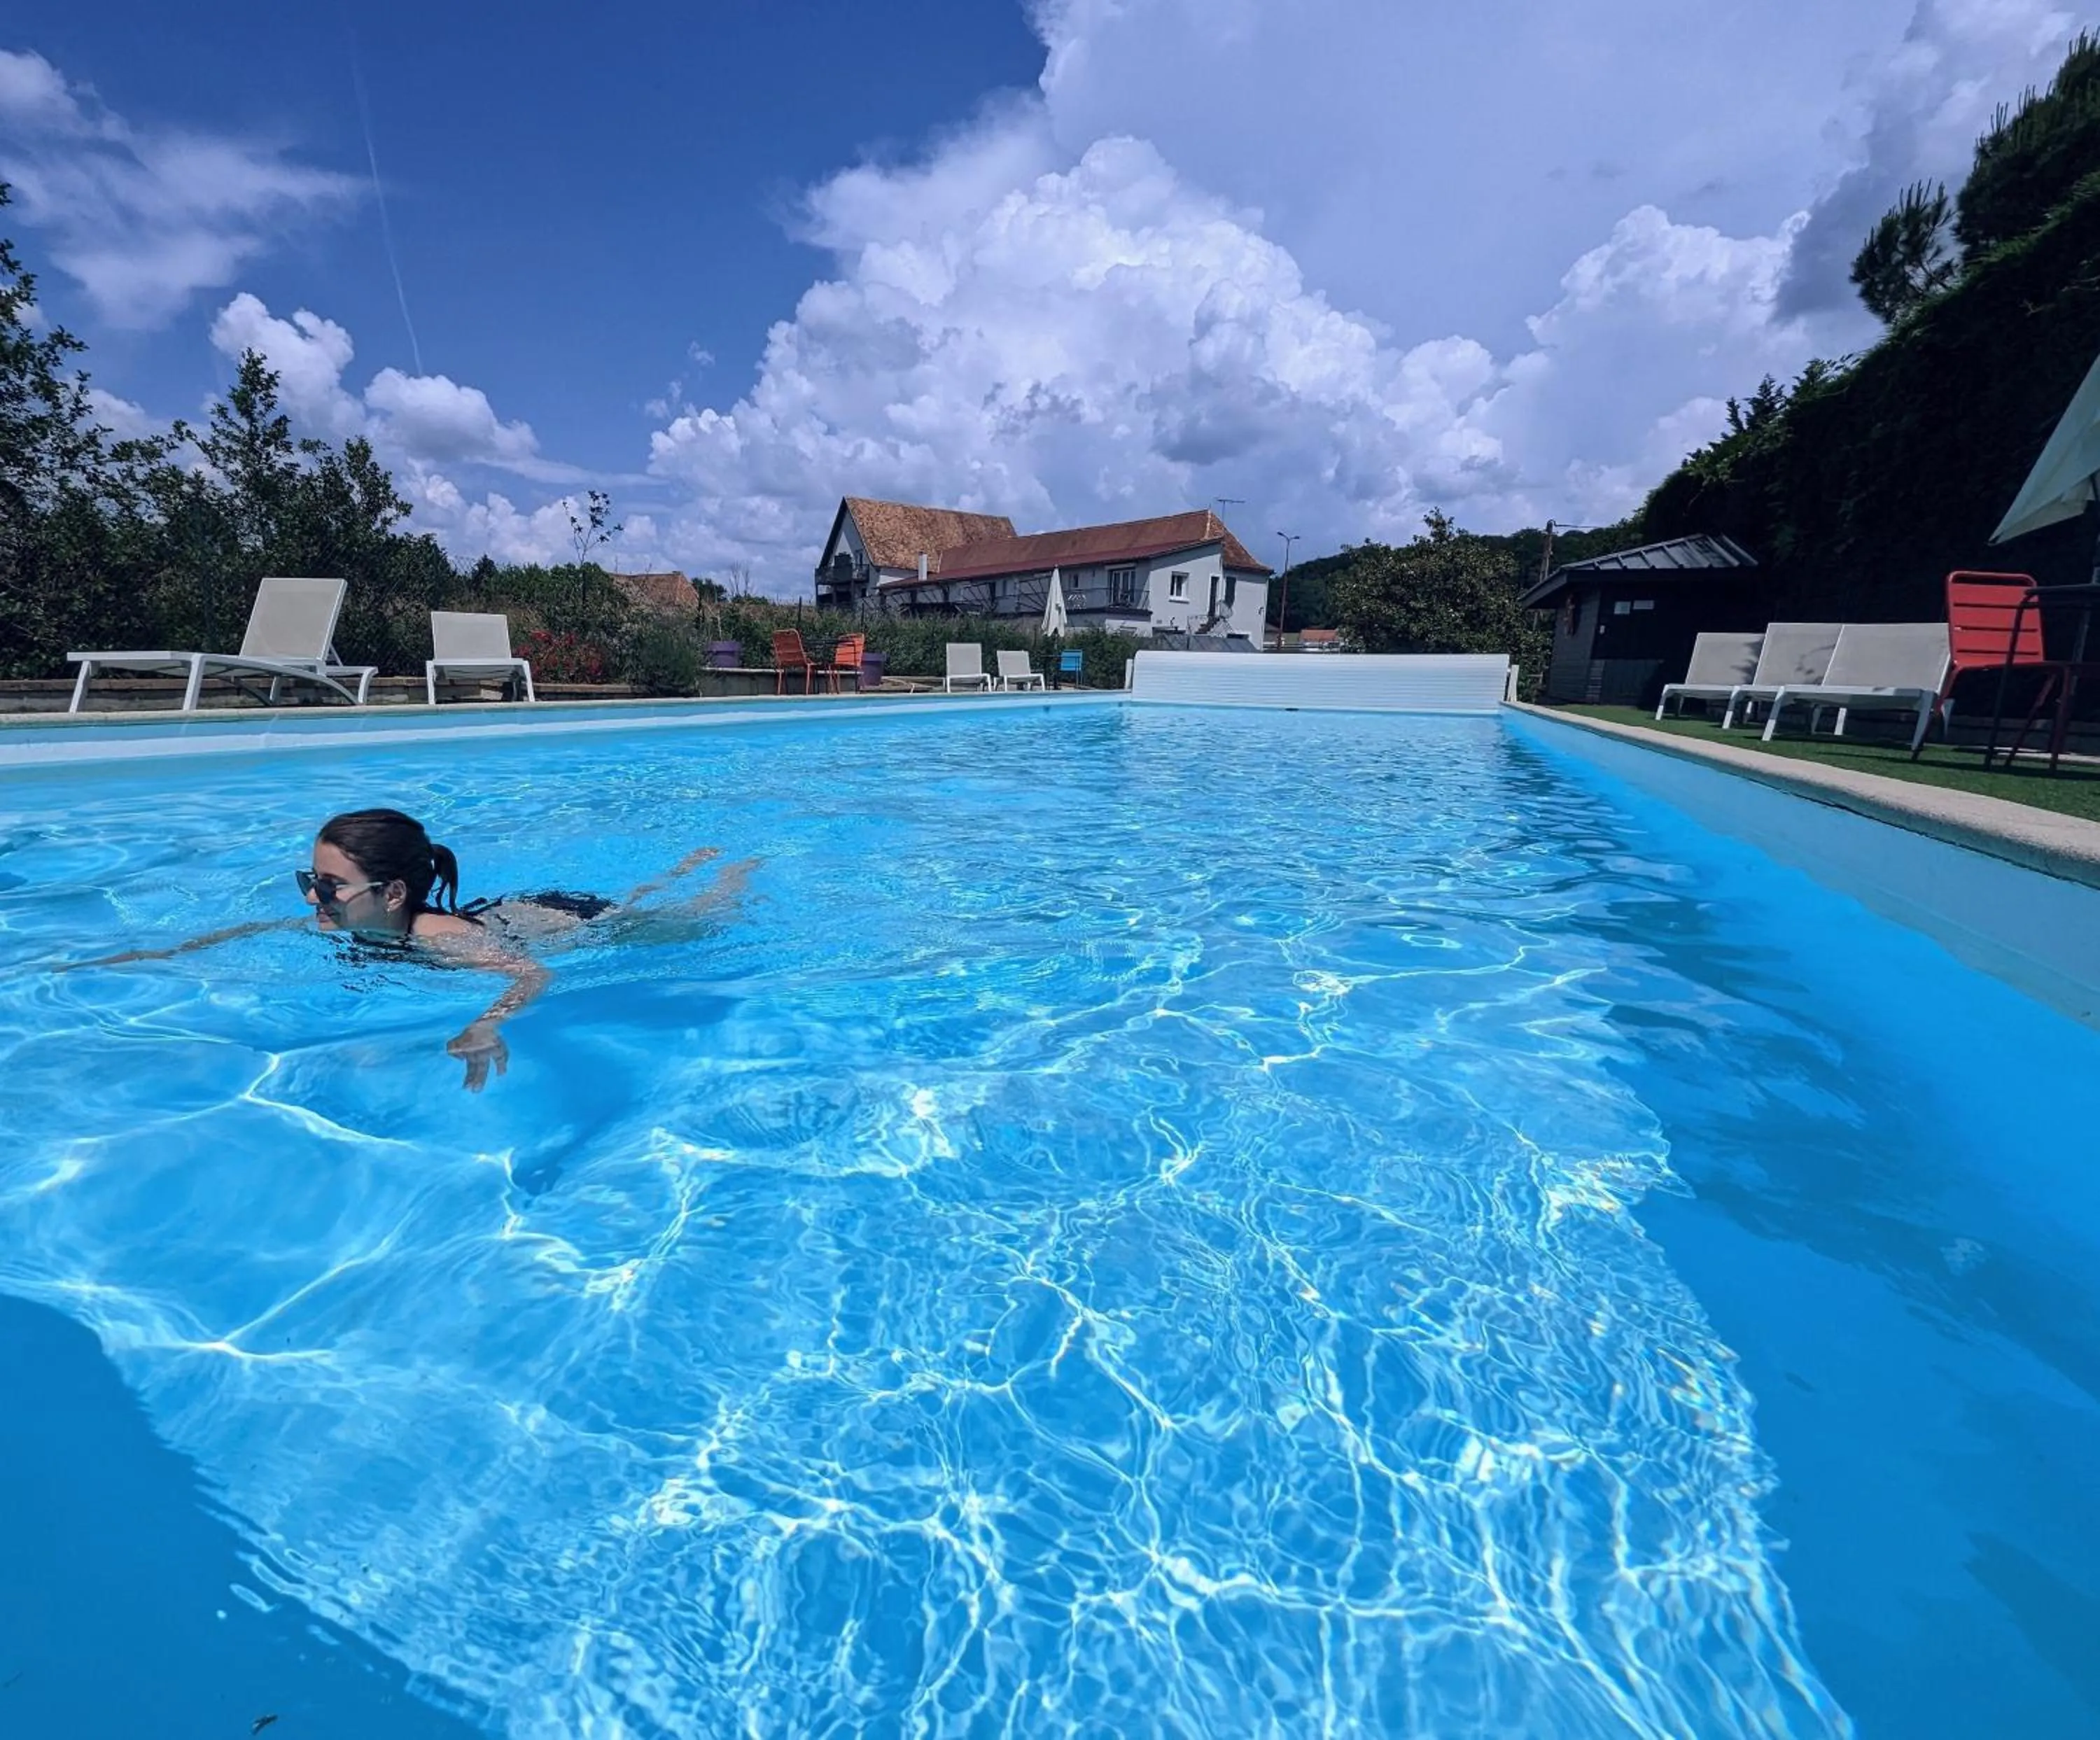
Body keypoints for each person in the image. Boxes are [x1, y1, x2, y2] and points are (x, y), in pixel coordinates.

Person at [65, 808, 755, 1091]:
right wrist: (153, 956)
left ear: (391, 894)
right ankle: (683, 868)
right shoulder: (350, 921)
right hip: (504, 909)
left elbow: (532, 970)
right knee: (640, 900)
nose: (313, 900)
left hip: (560, 921)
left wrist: (488, 1021)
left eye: (330, 887)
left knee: (670, 917)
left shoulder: (438, 941)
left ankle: (724, 871)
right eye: (311, 881)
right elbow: (247, 934)